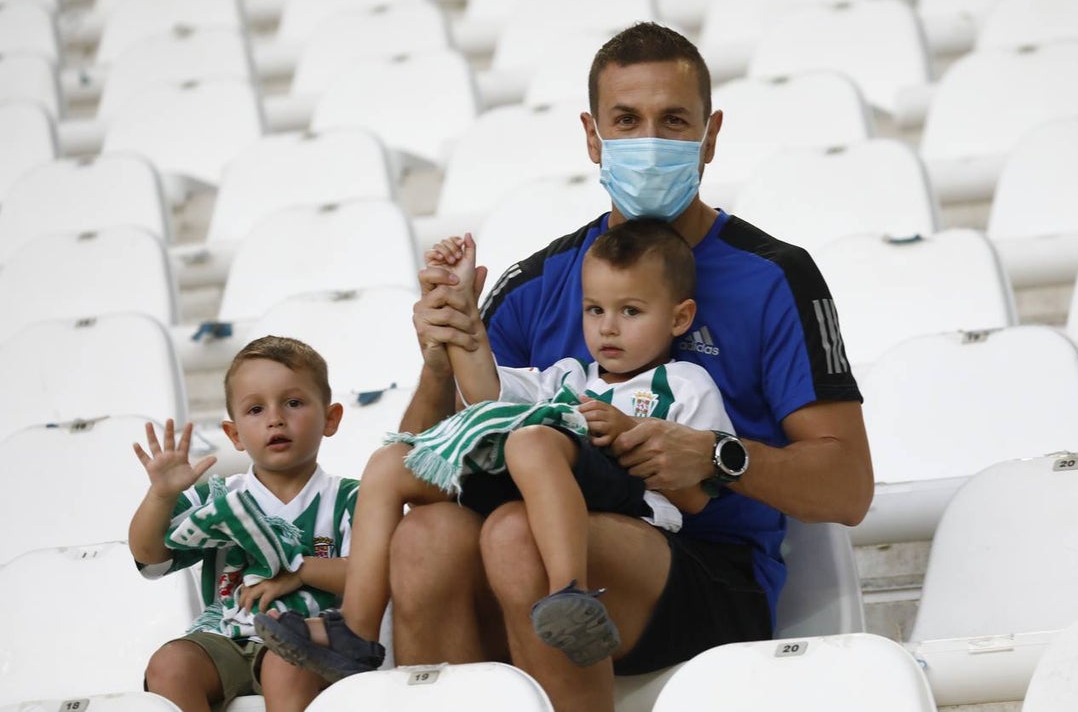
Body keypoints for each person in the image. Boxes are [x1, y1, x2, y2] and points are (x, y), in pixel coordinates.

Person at [275, 21, 872, 712]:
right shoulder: (537, 284)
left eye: (673, 120)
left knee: (513, 532)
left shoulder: (775, 275)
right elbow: (431, 462)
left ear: (709, 136)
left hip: (710, 568)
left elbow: (848, 488)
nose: (649, 140)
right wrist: (441, 362)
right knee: (427, 536)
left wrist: (717, 455)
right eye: (627, 120)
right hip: (551, 551)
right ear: (593, 136)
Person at [254, 219, 737, 677]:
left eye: (630, 311)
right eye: (595, 310)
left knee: (531, 443)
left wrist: (629, 430)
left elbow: (697, 498)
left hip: (627, 506)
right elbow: (487, 392)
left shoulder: (688, 383)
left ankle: (570, 594)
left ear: (680, 318)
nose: (608, 328)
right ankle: (356, 631)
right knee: (389, 462)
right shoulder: (566, 377)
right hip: (529, 484)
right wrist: (460, 309)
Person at [128, 336, 370, 712]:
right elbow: (150, 558)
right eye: (255, 409)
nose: (275, 417)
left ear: (331, 418)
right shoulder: (219, 497)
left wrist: (303, 570)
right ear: (234, 435)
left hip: (309, 636)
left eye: (293, 402)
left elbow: (372, 576)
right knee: (170, 665)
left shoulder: (351, 498)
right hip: (224, 636)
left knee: (285, 662)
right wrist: (160, 496)